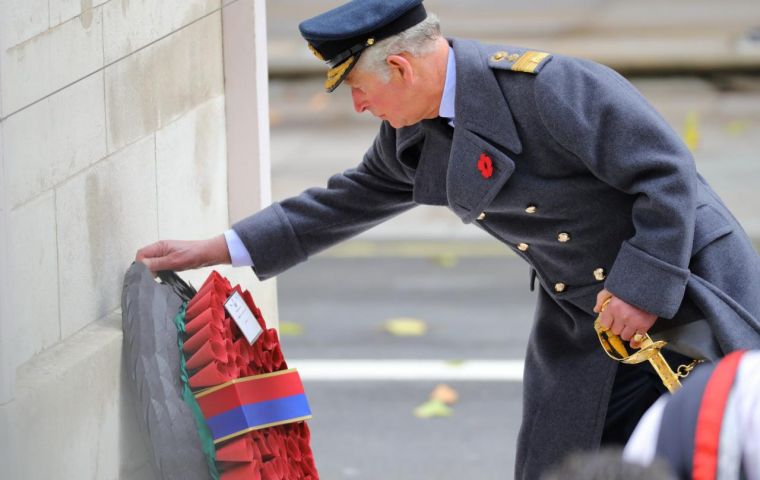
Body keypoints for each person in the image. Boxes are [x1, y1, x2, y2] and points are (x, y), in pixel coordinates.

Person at [136, 0, 760, 477]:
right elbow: (343, 201)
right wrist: (217, 248)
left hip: (682, 284)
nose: (359, 107)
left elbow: (667, 174)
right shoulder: (414, 137)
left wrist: (641, 285)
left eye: (358, 89)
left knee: (721, 449)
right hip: (588, 319)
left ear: (401, 67)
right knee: (563, 464)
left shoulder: (547, 89)